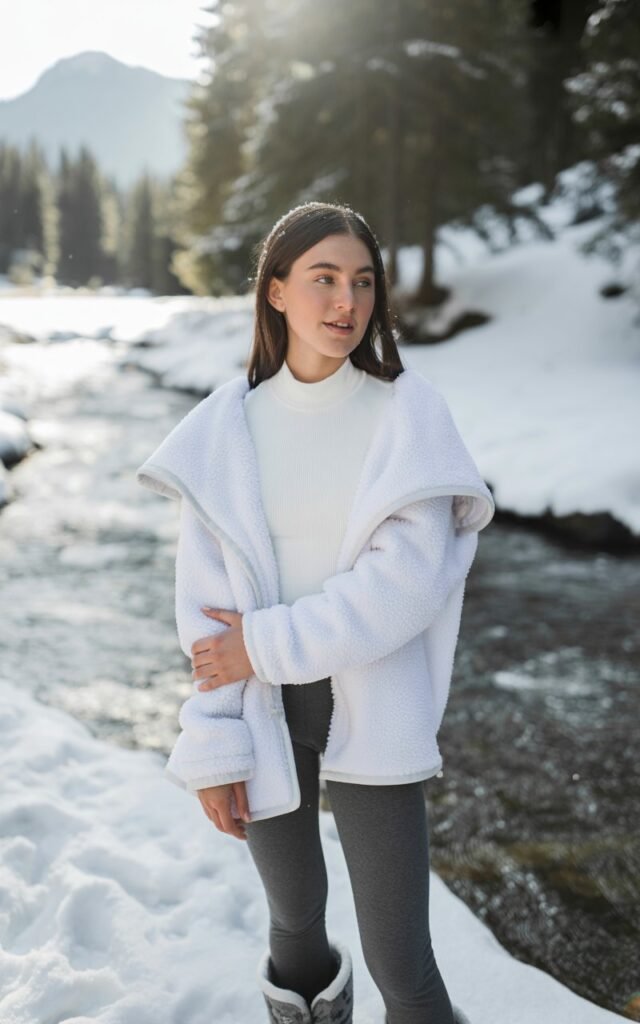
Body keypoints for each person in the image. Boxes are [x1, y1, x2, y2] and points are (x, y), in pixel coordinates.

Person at [136, 201, 494, 1024]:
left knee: (402, 962)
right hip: (266, 717)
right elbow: (207, 611)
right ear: (275, 292)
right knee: (295, 927)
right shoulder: (223, 430)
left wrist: (260, 647)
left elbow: (401, 589)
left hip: (377, 714)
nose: (346, 302)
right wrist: (215, 737)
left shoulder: (409, 418)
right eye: (324, 279)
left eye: (362, 282)